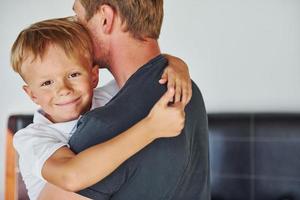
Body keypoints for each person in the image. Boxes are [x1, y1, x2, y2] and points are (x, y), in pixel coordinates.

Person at [11, 17, 192, 200]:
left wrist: (176, 64)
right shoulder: (32, 139)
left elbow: (144, 71)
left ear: (94, 76)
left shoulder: (107, 97)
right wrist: (151, 128)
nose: (64, 90)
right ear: (32, 94)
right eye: (47, 83)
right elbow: (71, 176)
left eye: (73, 74)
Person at [66, 0, 210, 199]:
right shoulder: (188, 90)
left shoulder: (102, 127)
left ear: (105, 18)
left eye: (78, 18)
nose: (74, 31)